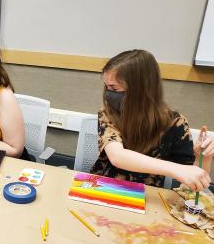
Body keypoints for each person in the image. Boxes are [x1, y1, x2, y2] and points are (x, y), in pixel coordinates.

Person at [91, 49, 213, 190]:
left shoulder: (175, 123)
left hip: (147, 197)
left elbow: (193, 185)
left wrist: (202, 157)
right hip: (102, 188)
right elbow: (117, 156)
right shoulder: (108, 113)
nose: (108, 94)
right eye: (106, 87)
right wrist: (176, 169)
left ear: (140, 89)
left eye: (114, 88)